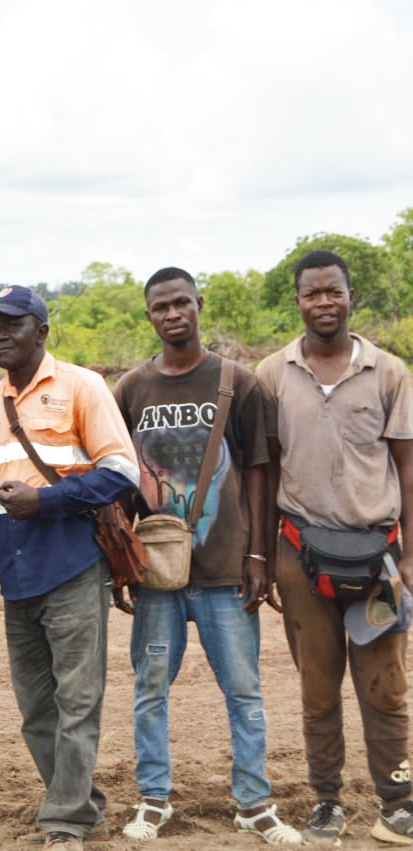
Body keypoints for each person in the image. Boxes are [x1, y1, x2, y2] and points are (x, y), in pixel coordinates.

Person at [112, 268, 300, 845]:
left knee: (243, 691)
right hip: (158, 573)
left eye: (181, 303)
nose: (172, 314)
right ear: (149, 317)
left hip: (227, 569)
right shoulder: (130, 390)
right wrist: (122, 560)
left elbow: (262, 473)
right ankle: (153, 798)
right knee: (150, 690)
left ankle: (254, 804)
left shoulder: (238, 383)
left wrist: (260, 554)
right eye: (160, 307)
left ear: (199, 306)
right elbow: (117, 480)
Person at [0, 285, 139, 850]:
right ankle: (84, 805)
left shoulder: (82, 386)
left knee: (78, 700)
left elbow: (122, 471)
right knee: (37, 708)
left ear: (41, 330)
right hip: (15, 579)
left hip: (73, 567)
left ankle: (64, 822)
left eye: (11, 325)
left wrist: (47, 502)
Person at [257, 249, 413, 846]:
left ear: (352, 298)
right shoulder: (274, 374)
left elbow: (406, 464)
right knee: (318, 687)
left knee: (386, 686)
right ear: (297, 302)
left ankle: (396, 803)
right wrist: (269, 556)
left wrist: (409, 556)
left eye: (333, 292)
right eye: (311, 293)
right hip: (301, 552)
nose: (323, 302)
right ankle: (326, 802)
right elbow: (267, 471)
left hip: (379, 557)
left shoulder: (389, 372)